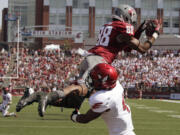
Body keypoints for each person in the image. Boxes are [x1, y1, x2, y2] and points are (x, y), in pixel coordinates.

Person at [20, 4, 160, 117]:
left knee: (74, 101)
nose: (132, 25)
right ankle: (47, 97)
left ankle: (36, 96)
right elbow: (142, 48)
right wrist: (155, 34)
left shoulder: (109, 26)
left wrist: (141, 28)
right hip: (98, 62)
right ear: (126, 17)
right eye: (132, 22)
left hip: (92, 59)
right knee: (80, 88)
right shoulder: (123, 27)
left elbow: (128, 45)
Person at [71, 63, 136, 135]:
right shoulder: (116, 85)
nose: (91, 80)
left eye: (94, 79)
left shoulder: (102, 98)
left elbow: (86, 118)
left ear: (103, 82)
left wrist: (74, 117)